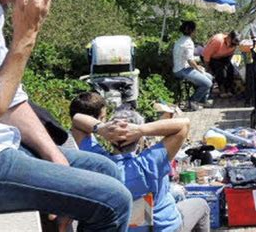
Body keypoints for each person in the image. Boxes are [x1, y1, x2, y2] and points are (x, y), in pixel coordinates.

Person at [0, 0, 133, 231]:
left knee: (106, 169)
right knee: (113, 201)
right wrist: (26, 36)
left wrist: (55, 156)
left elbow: (12, 98)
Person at [69, 92, 211, 232]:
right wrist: (141, 130)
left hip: (126, 225)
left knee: (171, 195)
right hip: (163, 227)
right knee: (201, 205)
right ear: (139, 139)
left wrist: (101, 129)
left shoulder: (97, 161)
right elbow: (183, 124)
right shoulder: (150, 162)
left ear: (110, 139)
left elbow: (76, 120)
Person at [173, 21, 214, 110]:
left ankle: (203, 101)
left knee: (209, 76)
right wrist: (198, 68)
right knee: (208, 83)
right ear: (192, 31)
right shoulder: (188, 42)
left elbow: (187, 58)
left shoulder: (180, 40)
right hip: (182, 70)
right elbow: (190, 60)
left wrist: (197, 67)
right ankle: (192, 102)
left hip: (181, 68)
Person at [202, 31, 239, 97]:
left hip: (224, 56)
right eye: (233, 42)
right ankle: (222, 90)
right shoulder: (218, 41)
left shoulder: (234, 43)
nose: (234, 45)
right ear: (229, 38)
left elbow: (231, 54)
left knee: (230, 70)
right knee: (220, 70)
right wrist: (207, 68)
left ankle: (228, 89)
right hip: (211, 58)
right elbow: (206, 55)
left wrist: (228, 64)